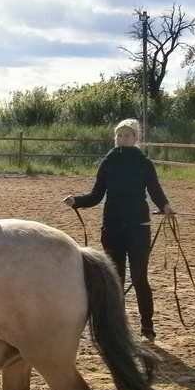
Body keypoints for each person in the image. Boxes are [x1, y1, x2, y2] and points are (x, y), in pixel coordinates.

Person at [63, 118, 175, 341]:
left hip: (138, 228)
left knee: (140, 277)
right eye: (119, 135)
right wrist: (77, 201)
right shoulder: (108, 162)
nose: (122, 138)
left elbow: (155, 190)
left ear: (136, 138)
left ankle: (147, 328)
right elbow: (96, 195)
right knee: (116, 280)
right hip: (112, 228)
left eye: (127, 135)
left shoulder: (144, 163)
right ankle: (119, 329)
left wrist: (165, 206)